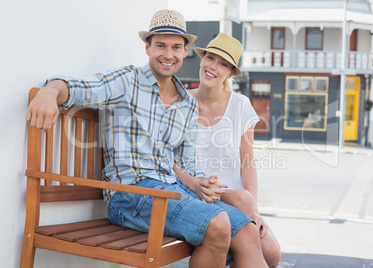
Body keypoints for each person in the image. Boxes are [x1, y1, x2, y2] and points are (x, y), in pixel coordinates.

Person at [25, 9, 268, 268]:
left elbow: (186, 165)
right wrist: (50, 91)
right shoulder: (127, 81)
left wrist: (200, 183)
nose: (168, 54)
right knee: (219, 223)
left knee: (247, 231)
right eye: (160, 45)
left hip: (173, 192)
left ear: (185, 51)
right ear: (147, 48)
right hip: (130, 196)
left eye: (176, 47)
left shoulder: (187, 103)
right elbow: (80, 87)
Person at [173, 33, 281, 267]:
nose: (213, 67)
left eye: (223, 64)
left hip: (236, 200)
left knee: (272, 253)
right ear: (201, 59)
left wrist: (256, 212)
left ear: (230, 73)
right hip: (198, 192)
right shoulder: (181, 104)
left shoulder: (240, 104)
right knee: (251, 242)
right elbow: (172, 158)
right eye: (210, 58)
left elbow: (247, 163)